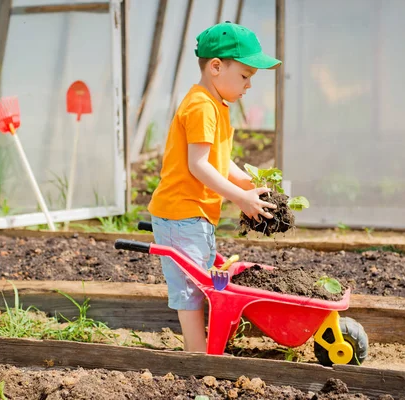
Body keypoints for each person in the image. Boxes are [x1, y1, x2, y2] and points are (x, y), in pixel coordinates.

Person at [148, 21, 281, 353]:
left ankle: (208, 348)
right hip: (181, 214)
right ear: (217, 67)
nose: (249, 85)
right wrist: (240, 198)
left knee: (204, 281)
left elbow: (219, 160)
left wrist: (249, 184)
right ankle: (198, 357)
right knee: (192, 291)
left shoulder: (217, 105)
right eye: (245, 76)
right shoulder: (201, 106)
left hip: (195, 216)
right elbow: (198, 165)